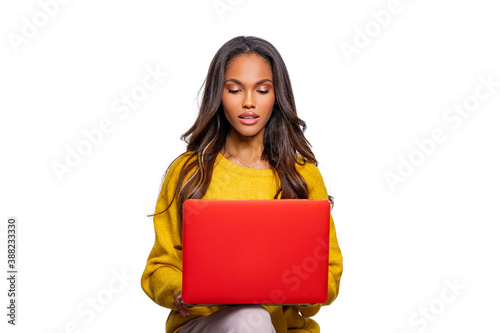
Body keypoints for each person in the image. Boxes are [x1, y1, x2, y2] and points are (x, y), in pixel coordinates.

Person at [141, 35, 343, 333]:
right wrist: (177, 291)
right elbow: (159, 266)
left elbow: (328, 273)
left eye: (262, 90)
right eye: (235, 90)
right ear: (218, 95)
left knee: (257, 318)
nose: (249, 102)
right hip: (205, 325)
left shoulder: (302, 176)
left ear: (277, 96)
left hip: (284, 328)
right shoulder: (188, 172)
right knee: (251, 318)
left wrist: (298, 287)